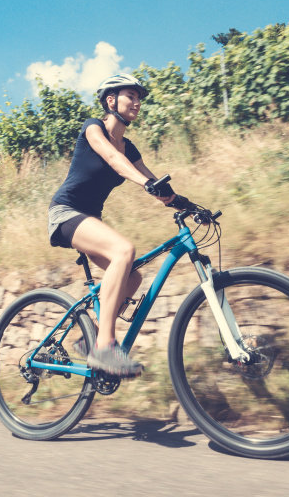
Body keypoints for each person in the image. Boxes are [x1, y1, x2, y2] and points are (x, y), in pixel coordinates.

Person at [47, 73, 176, 377]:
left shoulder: (129, 147)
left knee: (132, 278)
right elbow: (112, 159)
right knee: (123, 250)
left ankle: (89, 335)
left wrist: (179, 201)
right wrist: (147, 184)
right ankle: (104, 347)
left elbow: (151, 178)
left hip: (90, 220)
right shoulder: (94, 128)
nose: (137, 103)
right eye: (131, 96)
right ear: (111, 100)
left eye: (139, 98)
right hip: (66, 213)